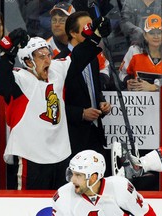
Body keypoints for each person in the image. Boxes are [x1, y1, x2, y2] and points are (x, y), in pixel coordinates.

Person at [0, 15, 111, 190]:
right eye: (41, 56)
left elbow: (79, 57)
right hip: (30, 157)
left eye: (48, 54)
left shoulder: (55, 70)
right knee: (29, 207)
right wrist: (8, 52)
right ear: (28, 61)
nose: (48, 59)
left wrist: (96, 35)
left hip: (61, 155)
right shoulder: (19, 78)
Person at [57, 11, 111, 176]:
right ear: (72, 33)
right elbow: (54, 103)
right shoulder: (60, 61)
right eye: (87, 28)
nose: (91, 31)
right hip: (72, 136)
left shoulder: (93, 58)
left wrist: (101, 102)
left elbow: (94, 89)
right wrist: (80, 113)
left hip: (95, 132)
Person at [52, 150, 157, 215]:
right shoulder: (63, 196)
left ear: (93, 177)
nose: (73, 180)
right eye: (72, 174)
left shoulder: (120, 188)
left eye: (78, 175)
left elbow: (146, 214)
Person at [119, 14, 162, 91]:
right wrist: (128, 82)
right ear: (145, 35)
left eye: (159, 32)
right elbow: (122, 73)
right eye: (152, 33)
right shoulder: (134, 51)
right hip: (138, 101)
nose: (156, 36)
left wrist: (154, 87)